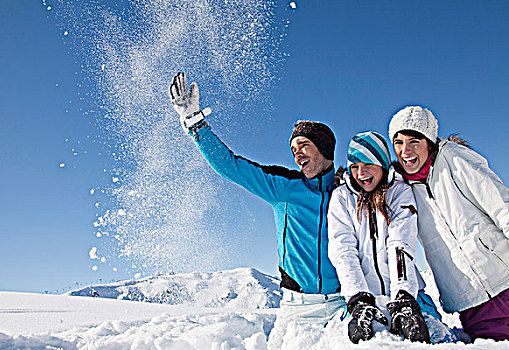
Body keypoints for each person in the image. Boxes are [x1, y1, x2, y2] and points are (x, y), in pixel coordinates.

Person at [169, 73, 345, 347]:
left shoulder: (347, 191)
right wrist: (196, 124)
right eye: (293, 149)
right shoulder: (284, 187)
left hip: (341, 308)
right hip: (296, 311)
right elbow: (231, 166)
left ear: (324, 148)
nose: (296, 153)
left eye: (304, 146)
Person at [388, 106, 509, 341]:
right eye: (398, 142)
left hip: (504, 275)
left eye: (414, 141)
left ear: (429, 142)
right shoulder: (401, 189)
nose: (406, 150)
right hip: (469, 299)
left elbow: (500, 204)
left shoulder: (452, 158)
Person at [328, 131, 457, 344]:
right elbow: (343, 250)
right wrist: (358, 298)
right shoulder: (342, 198)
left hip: (408, 292)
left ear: (382, 163)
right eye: (355, 166)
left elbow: (400, 243)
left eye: (367, 163)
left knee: (437, 339)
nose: (361, 173)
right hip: (363, 297)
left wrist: (404, 298)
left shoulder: (399, 192)